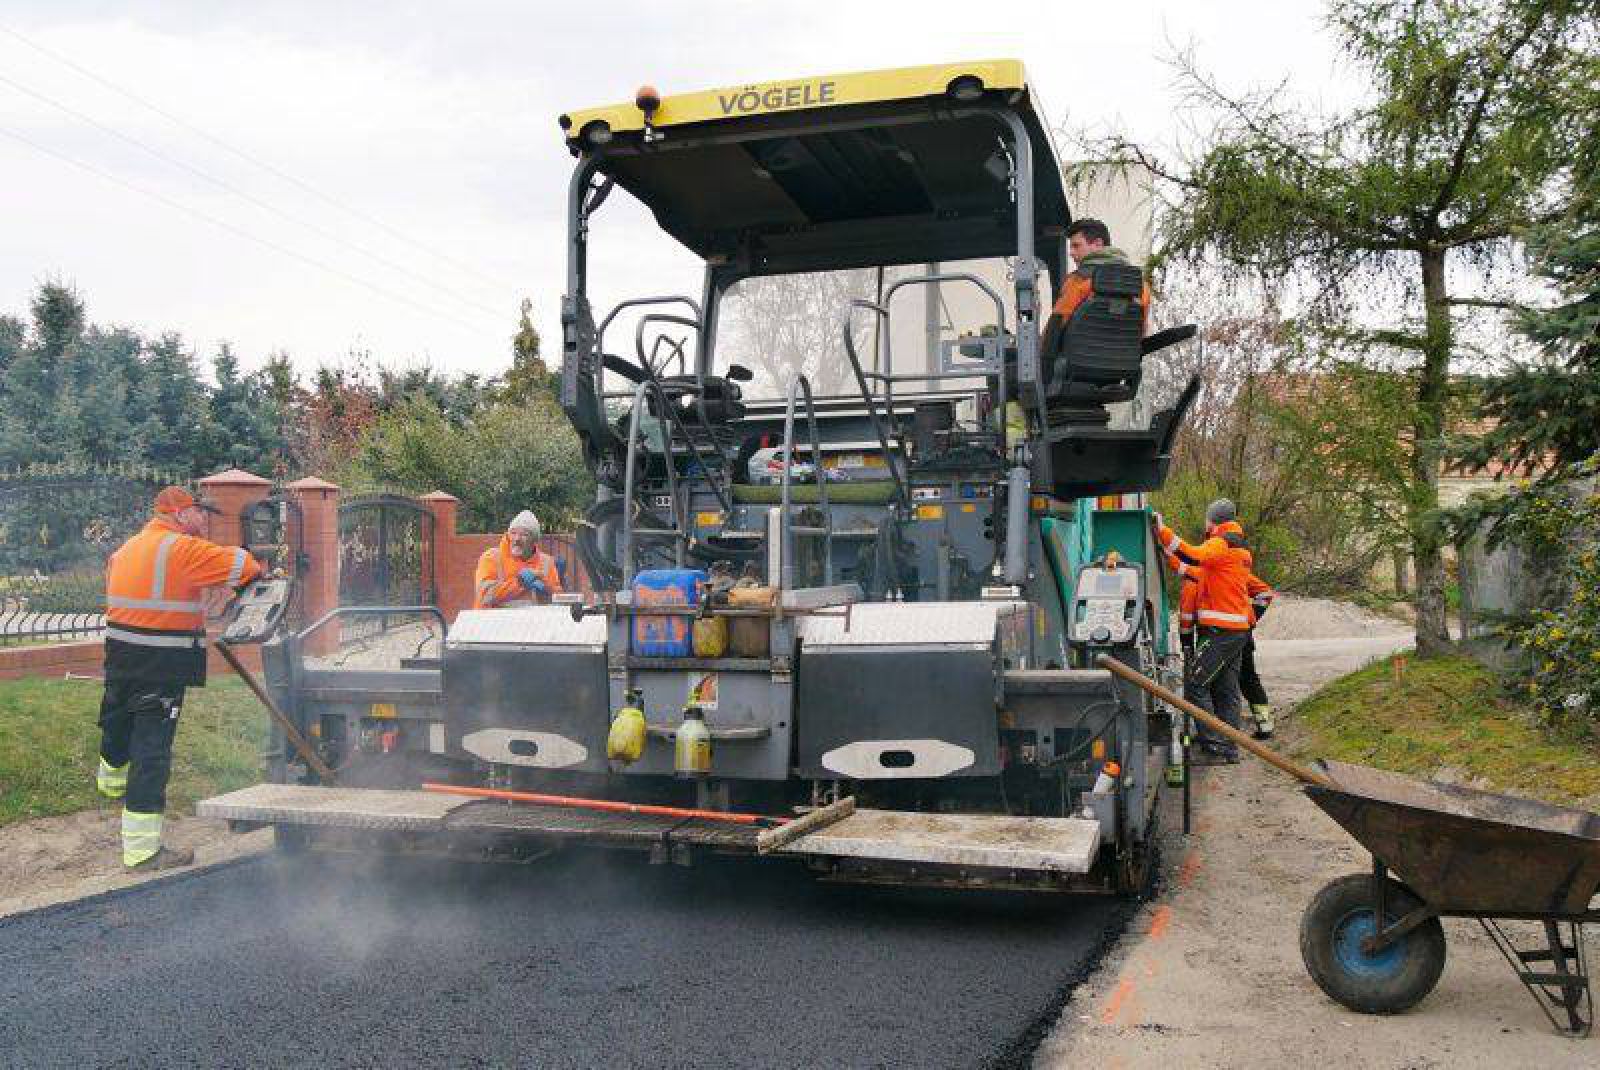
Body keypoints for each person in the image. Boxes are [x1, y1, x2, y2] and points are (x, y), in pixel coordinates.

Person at [98, 486, 262, 870]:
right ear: (179, 515)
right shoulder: (185, 549)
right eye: (200, 513)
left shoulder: (128, 548)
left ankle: (109, 780)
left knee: (117, 720)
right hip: (161, 663)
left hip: (122, 655)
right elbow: (248, 566)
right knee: (151, 753)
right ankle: (141, 851)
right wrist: (227, 583)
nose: (205, 520)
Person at [1154, 499, 1255, 763]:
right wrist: (1170, 557)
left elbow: (1194, 554)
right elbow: (1195, 570)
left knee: (1195, 684)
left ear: (1212, 521)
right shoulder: (1237, 548)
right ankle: (1230, 748)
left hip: (1221, 632)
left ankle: (1215, 743)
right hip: (1236, 631)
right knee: (1227, 691)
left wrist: (1161, 530)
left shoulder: (1221, 542)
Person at [1167, 547, 1276, 739]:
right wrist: (1248, 621)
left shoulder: (1199, 577)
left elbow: (1186, 617)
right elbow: (1264, 593)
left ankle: (1218, 734)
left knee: (1212, 683)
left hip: (1217, 636)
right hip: (1241, 635)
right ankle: (1257, 726)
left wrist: (1188, 646)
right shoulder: (1232, 572)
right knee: (1242, 680)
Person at [1049, 217, 1152, 328]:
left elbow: (1056, 328)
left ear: (1098, 244)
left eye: (1076, 246)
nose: (1071, 253)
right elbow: (1141, 329)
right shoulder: (1139, 285)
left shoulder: (1078, 281)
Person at [474, 511, 563, 609]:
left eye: (524, 535)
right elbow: (484, 595)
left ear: (534, 540)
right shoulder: (491, 557)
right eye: (513, 533)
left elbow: (558, 599)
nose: (517, 539)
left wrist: (546, 589)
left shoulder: (546, 562)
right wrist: (519, 583)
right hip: (491, 621)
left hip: (530, 621)